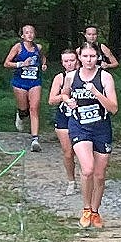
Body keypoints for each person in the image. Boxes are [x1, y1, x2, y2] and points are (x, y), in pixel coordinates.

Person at [64, 44, 118, 229]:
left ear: (98, 58)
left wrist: (96, 92)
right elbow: (64, 94)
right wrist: (68, 101)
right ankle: (86, 209)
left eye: (93, 56)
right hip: (79, 127)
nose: (89, 60)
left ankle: (95, 212)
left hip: (101, 128)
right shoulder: (71, 76)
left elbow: (113, 108)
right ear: (80, 57)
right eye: (85, 56)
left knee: (100, 175)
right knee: (87, 169)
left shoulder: (105, 77)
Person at [2, 25, 45, 150]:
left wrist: (44, 65)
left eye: (31, 32)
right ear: (22, 35)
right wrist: (21, 64)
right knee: (24, 109)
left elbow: (42, 58)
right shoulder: (18, 47)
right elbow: (6, 63)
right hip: (20, 82)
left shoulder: (38, 47)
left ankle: (35, 140)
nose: (29, 34)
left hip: (35, 81)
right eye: (26, 32)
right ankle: (20, 115)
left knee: (34, 108)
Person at [46, 49, 81, 196]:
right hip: (64, 117)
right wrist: (64, 96)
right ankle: (71, 181)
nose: (69, 63)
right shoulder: (60, 77)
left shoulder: (85, 75)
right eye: (66, 61)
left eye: (72, 60)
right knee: (68, 152)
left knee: (84, 151)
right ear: (62, 63)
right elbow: (51, 100)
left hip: (82, 117)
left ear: (77, 60)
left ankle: (89, 179)